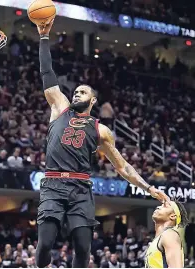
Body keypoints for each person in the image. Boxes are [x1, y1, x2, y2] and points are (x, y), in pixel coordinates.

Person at [35, 20, 170, 268]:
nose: (76, 94)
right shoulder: (59, 108)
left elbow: (123, 167)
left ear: (93, 100)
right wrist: (44, 38)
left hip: (80, 187)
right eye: (75, 91)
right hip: (53, 183)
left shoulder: (101, 130)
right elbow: (47, 73)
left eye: (82, 92)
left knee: (83, 248)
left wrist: (149, 188)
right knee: (45, 244)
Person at [145, 201, 189, 268]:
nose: (158, 207)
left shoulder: (170, 235)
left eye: (165, 206)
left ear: (173, 216)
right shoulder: (160, 238)